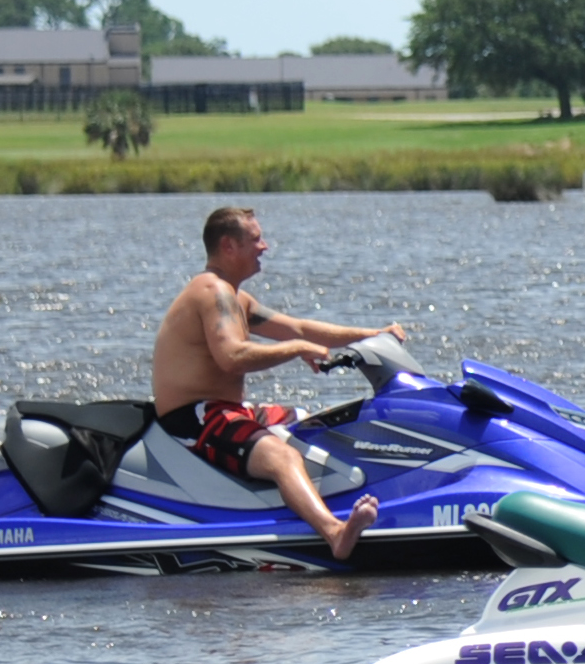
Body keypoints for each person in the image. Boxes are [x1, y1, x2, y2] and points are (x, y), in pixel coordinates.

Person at [150, 203, 404, 562]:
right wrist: (297, 349)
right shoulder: (213, 293)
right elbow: (232, 356)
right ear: (228, 246)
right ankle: (334, 533)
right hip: (194, 418)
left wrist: (374, 334)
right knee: (282, 457)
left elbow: (299, 328)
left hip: (226, 410)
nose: (264, 246)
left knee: (315, 423)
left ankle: (349, 496)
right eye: (255, 239)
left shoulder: (235, 296)